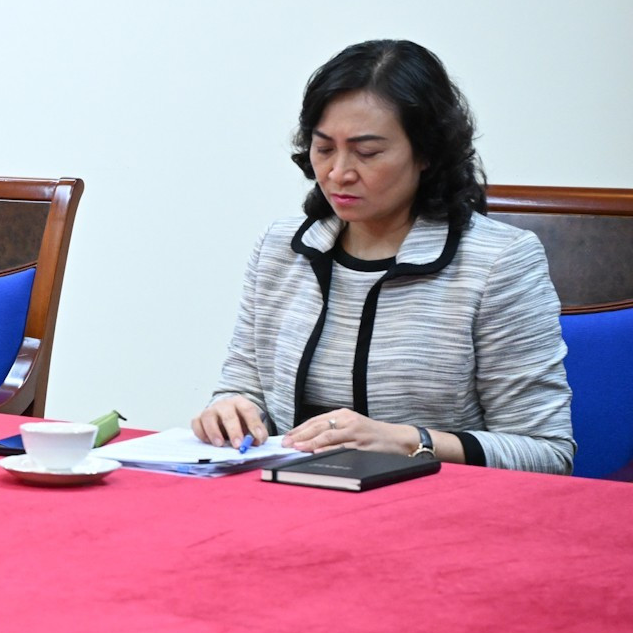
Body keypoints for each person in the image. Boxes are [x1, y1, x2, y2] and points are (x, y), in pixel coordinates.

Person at [191, 39, 573, 473]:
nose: (338, 173)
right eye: (324, 148)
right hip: (288, 498)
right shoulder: (281, 249)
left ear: (426, 153)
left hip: (436, 512)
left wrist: (409, 440)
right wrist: (230, 411)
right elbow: (243, 390)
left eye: (367, 152)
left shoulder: (498, 262)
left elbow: (547, 453)